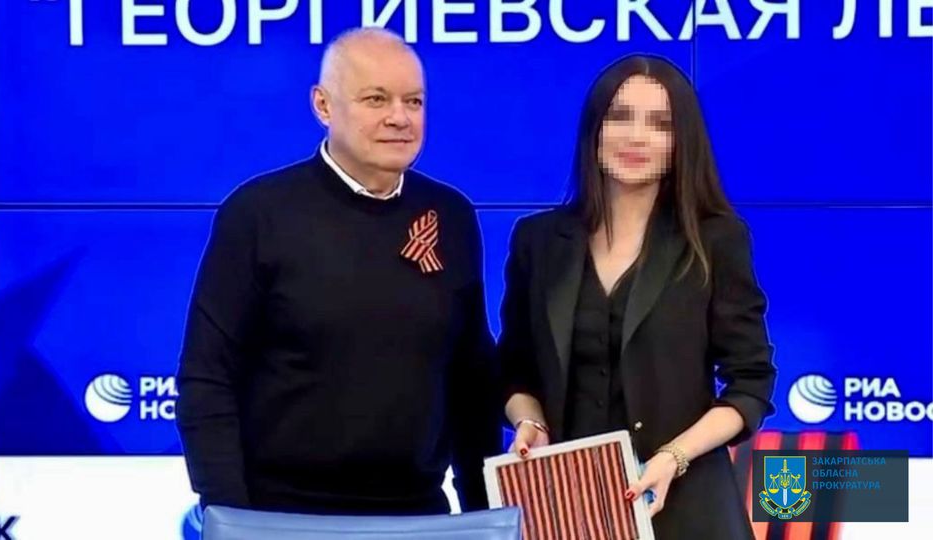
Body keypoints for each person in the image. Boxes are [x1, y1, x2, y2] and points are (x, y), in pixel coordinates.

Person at [175, 27, 500, 516]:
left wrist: (484, 515)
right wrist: (232, 519)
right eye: (376, 99)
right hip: (280, 518)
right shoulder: (258, 214)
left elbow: (470, 382)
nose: (399, 117)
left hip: (419, 516)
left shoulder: (450, 215)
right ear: (323, 106)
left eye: (413, 101)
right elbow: (207, 377)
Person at [499, 54, 777, 538]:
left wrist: (674, 457)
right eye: (621, 117)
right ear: (595, 129)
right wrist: (532, 425)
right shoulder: (538, 241)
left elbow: (750, 382)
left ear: (680, 142)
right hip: (568, 504)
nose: (636, 137)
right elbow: (513, 370)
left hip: (687, 504)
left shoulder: (716, 240)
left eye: (659, 124)